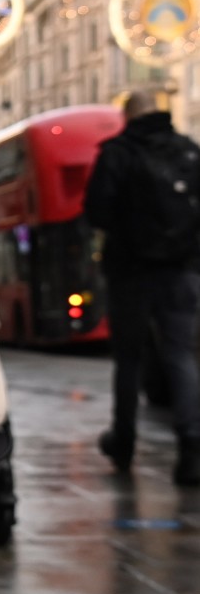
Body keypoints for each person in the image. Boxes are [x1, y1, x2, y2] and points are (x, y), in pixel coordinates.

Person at [82, 89, 200, 486]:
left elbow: (95, 210)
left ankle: (124, 441)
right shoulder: (188, 150)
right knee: (180, 356)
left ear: (127, 116)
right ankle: (191, 449)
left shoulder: (116, 153)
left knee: (129, 360)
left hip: (130, 272)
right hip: (182, 270)